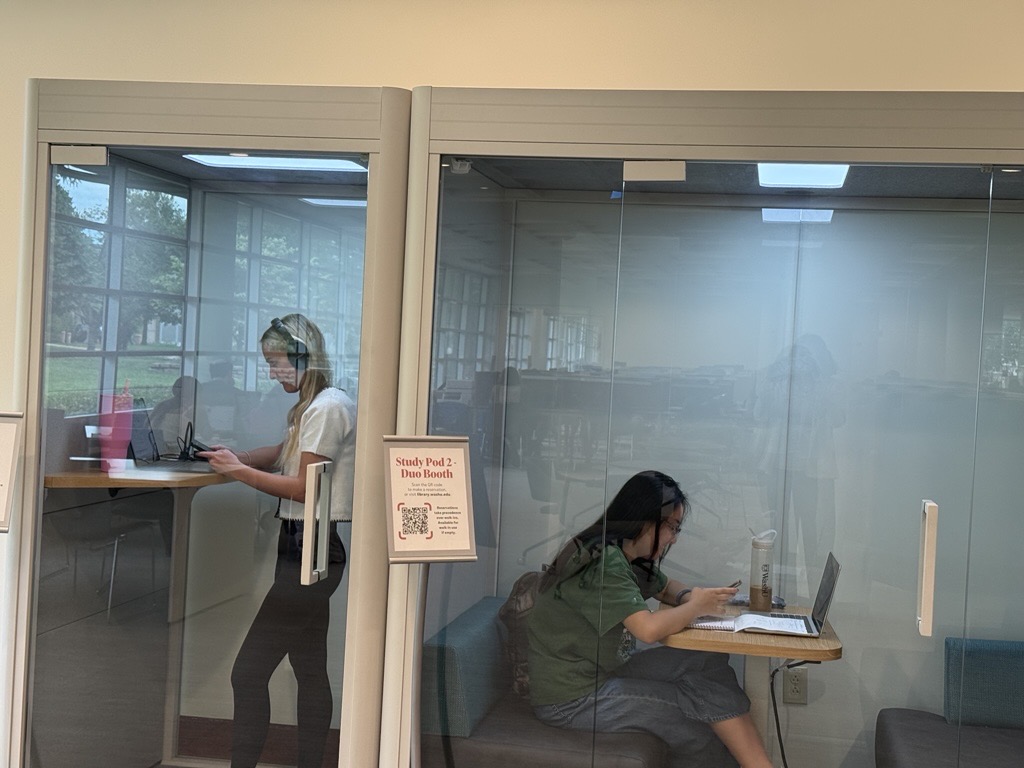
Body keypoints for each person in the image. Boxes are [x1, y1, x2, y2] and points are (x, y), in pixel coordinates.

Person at [526, 470, 772, 768]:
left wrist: (692, 598)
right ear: (646, 519)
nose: (674, 539)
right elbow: (647, 629)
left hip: (602, 670)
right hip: (571, 699)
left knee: (706, 659)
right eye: (672, 527)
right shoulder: (604, 562)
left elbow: (666, 587)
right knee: (697, 725)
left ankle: (757, 764)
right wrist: (696, 606)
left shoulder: (621, 551)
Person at [199, 313, 357, 768]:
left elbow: (306, 487)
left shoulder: (327, 407)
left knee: (247, 673)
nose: (271, 372)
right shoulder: (315, 406)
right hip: (302, 545)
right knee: (309, 670)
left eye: (276, 363)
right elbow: (288, 452)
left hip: (311, 547)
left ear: (302, 358)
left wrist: (239, 473)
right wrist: (238, 457)